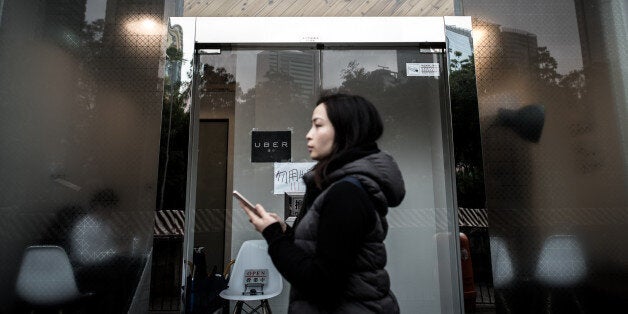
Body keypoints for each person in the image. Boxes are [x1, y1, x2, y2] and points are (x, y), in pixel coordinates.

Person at [240, 93, 405, 313]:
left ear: (346, 131)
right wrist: (283, 231)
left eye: (318, 125)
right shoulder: (336, 186)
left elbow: (320, 283)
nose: (308, 135)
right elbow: (320, 252)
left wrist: (273, 235)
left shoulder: (346, 194)